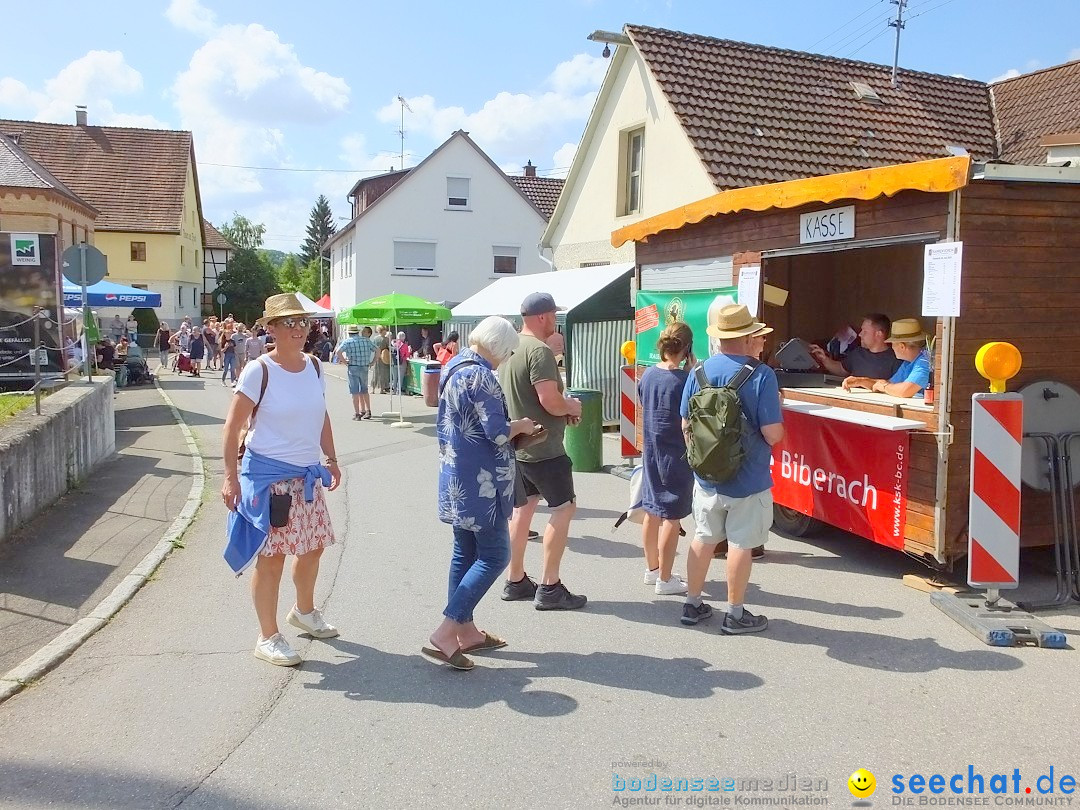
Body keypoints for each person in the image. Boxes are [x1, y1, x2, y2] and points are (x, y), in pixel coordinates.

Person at [222, 293, 342, 667]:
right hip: (269, 479)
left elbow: (320, 415)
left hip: (305, 478)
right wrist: (230, 477)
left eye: (303, 322)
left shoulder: (315, 367)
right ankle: (268, 636)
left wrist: (332, 459)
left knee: (313, 547)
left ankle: (304, 611)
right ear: (270, 328)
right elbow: (232, 426)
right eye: (288, 322)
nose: (298, 329)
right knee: (271, 559)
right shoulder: (260, 370)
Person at [424, 316, 537, 670]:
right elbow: (497, 432)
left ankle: (466, 631)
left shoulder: (454, 365)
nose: (505, 359)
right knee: (495, 555)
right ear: (501, 346)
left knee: (465, 552)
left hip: (457, 475)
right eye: (507, 353)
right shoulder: (482, 374)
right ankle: (447, 630)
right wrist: (520, 425)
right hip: (482, 481)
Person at [679, 304, 784, 633]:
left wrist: (703, 459)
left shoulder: (698, 372)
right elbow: (772, 433)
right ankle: (735, 615)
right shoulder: (762, 375)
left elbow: (685, 424)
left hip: (707, 478)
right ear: (747, 335)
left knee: (703, 538)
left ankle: (692, 604)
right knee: (741, 545)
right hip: (748, 478)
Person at [498, 292, 586, 610]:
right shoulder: (539, 351)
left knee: (523, 511)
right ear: (542, 317)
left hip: (518, 444)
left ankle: (516, 579)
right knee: (564, 508)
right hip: (544, 446)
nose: (555, 320)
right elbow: (549, 399)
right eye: (553, 315)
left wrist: (562, 408)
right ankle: (550, 586)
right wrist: (571, 405)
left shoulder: (511, 348)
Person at [638, 322, 695, 595]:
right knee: (672, 516)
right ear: (687, 349)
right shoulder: (686, 381)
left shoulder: (647, 375)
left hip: (651, 450)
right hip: (676, 454)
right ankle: (666, 577)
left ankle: (652, 570)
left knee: (651, 509)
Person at [841, 318, 931, 398]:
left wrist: (884, 387)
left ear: (902, 346)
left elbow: (905, 391)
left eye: (893, 344)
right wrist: (860, 381)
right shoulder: (908, 362)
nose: (891, 347)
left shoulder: (924, 361)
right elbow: (890, 384)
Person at [809, 313, 900, 381]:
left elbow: (895, 386)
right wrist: (824, 359)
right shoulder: (858, 353)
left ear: (879, 334)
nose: (860, 334)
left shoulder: (895, 359)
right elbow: (841, 369)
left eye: (865, 331)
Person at [335, 324, 376, 420]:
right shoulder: (366, 340)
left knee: (354, 391)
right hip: (364, 367)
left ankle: (357, 414)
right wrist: (373, 361)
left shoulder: (348, 341)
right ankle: (368, 410)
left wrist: (345, 362)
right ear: (357, 332)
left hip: (353, 367)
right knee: (364, 389)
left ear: (349, 333)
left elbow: (338, 352)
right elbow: (377, 350)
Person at [371, 326, 391, 393]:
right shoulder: (386, 339)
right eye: (384, 330)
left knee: (376, 373)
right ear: (382, 331)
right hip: (384, 357)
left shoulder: (375, 338)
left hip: (377, 357)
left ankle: (373, 389)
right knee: (383, 374)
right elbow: (389, 348)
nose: (385, 332)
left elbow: (373, 347)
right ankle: (382, 389)